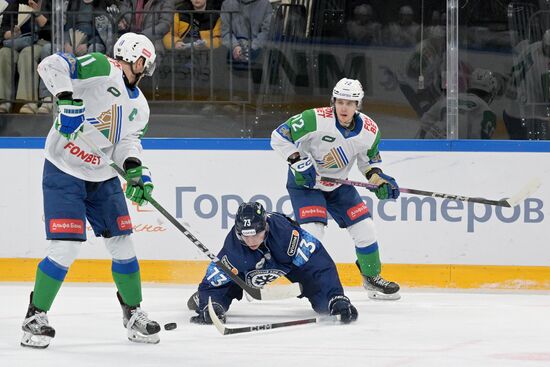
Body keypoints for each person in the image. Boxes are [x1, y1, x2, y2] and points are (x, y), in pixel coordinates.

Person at [21, 32, 160, 349]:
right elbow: (51, 65)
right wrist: (67, 100)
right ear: (137, 57)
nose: (146, 68)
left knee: (123, 243)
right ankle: (35, 317)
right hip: (64, 169)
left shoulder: (141, 105)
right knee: (65, 248)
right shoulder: (101, 66)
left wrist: (137, 171)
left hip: (103, 176)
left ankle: (134, 314)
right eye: (145, 61)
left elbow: (127, 143)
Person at [270, 78, 401, 300]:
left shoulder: (369, 131)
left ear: (358, 105)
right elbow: (279, 136)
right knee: (313, 231)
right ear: (334, 101)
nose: (344, 107)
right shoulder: (315, 119)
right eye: (340, 101)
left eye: (350, 103)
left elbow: (368, 162)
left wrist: (378, 179)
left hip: (338, 185)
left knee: (366, 229)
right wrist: (297, 160)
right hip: (307, 184)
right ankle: (308, 280)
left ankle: (371, 278)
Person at [188, 201, 358, 325]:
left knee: (323, 302)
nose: (251, 240)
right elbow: (212, 283)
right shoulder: (233, 251)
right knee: (219, 292)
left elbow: (318, 266)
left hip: (288, 262)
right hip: (248, 270)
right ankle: (203, 300)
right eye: (245, 236)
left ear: (265, 226)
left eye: (256, 234)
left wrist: (336, 298)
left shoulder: (288, 235)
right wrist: (211, 305)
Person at [419, 68, 498, 139]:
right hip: (459, 151)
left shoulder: (449, 98)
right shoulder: (487, 112)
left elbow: (425, 122)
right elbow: (480, 144)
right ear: (489, 94)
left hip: (433, 147)